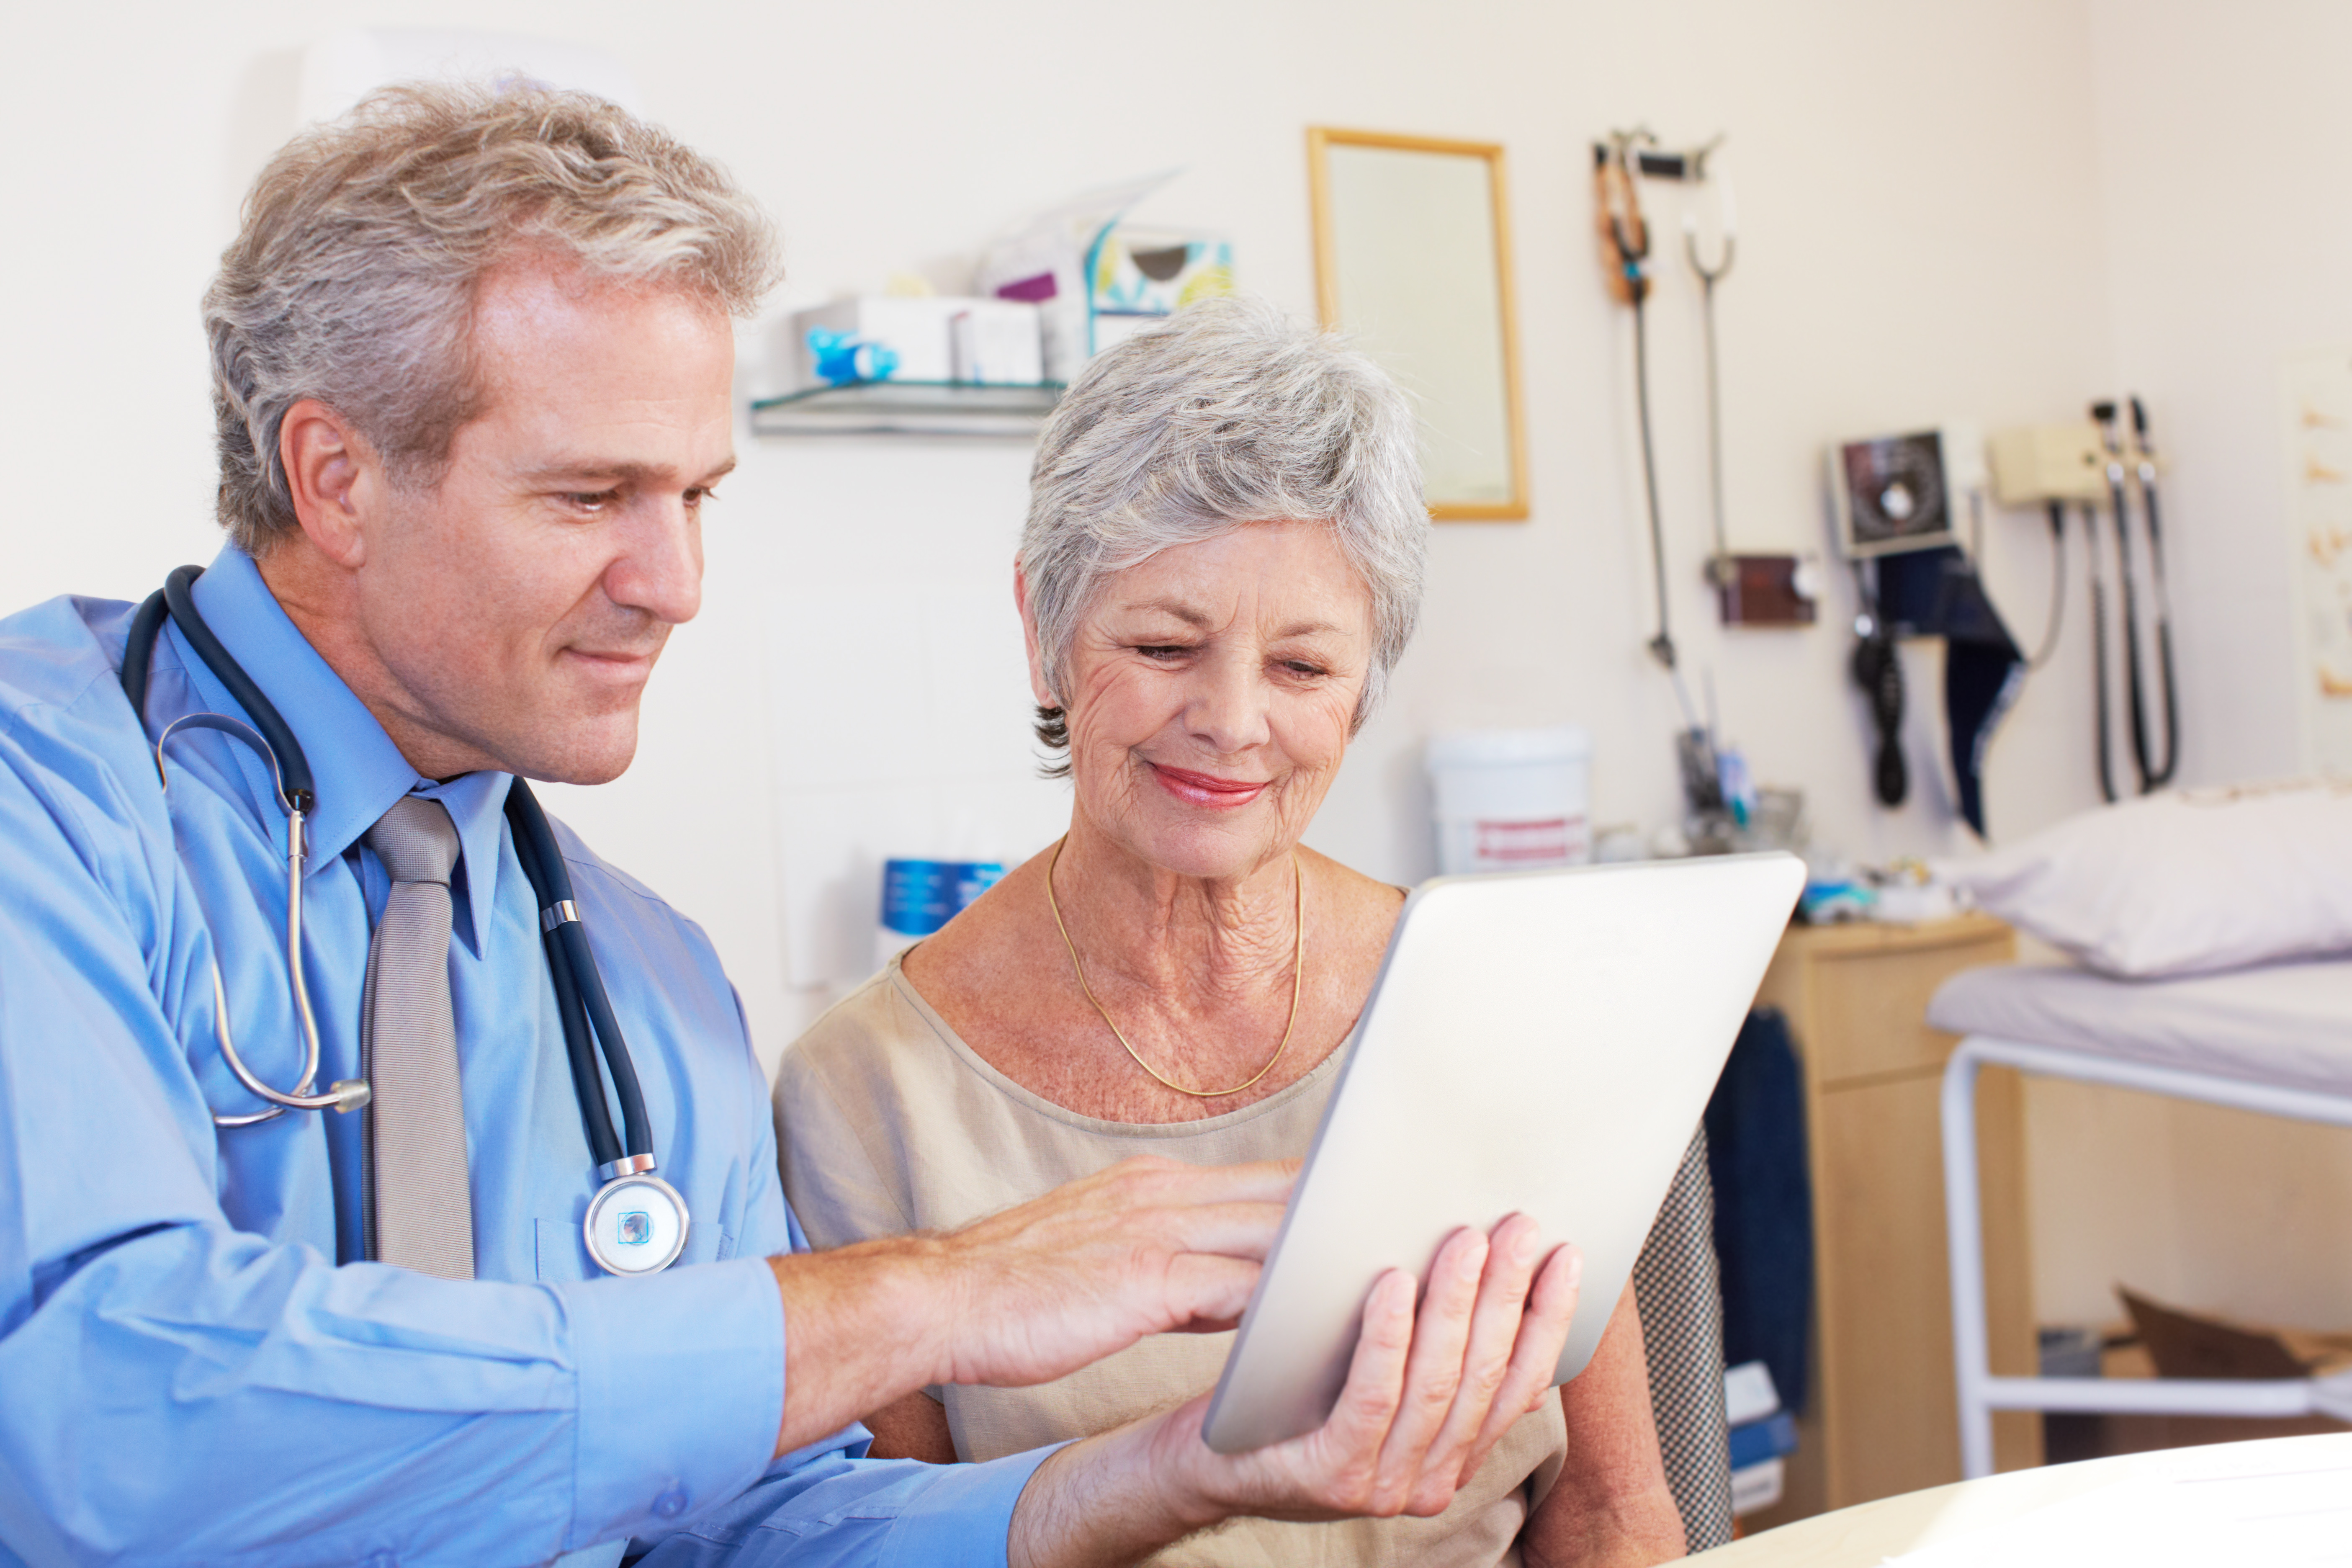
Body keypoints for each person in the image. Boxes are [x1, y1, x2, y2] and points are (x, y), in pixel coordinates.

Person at [0, 88, 1586, 1567]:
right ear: (334, 476)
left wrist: (1180, 1468)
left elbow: (767, 1527)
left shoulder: (644, 984)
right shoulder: (49, 800)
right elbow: (96, 1407)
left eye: (696, 498)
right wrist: (929, 1296)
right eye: (590, 496)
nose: (676, 583)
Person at [773, 299, 1691, 1567]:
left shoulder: (1488, 1001)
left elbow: (1610, 1509)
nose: (1232, 719)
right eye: (1162, 644)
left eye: (1304, 669)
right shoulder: (865, 1091)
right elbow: (875, 1546)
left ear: (1365, 685)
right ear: (1045, 637)